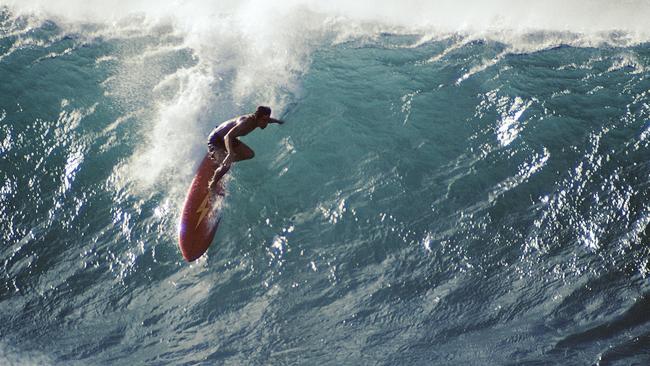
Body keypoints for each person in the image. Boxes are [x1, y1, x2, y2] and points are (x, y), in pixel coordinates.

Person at [207, 105, 284, 189]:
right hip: (216, 139)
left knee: (249, 154)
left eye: (267, 119)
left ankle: (221, 161)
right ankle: (212, 184)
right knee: (227, 165)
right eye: (264, 120)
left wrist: (280, 122)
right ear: (257, 118)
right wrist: (230, 153)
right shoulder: (245, 122)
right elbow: (227, 136)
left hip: (230, 139)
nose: (266, 122)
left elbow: (270, 120)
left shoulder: (259, 120)